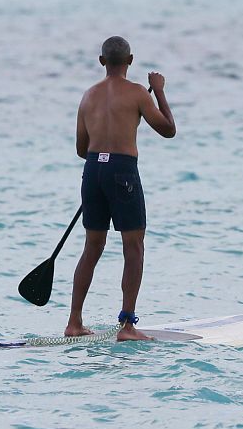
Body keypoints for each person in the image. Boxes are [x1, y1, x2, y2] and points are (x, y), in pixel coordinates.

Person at [64, 36, 176, 341]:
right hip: (122, 171)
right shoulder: (139, 93)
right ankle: (127, 326)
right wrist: (160, 92)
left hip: (93, 171)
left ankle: (74, 322)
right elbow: (168, 129)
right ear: (131, 61)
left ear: (102, 61)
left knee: (92, 246)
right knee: (134, 247)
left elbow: (81, 148)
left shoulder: (88, 96)